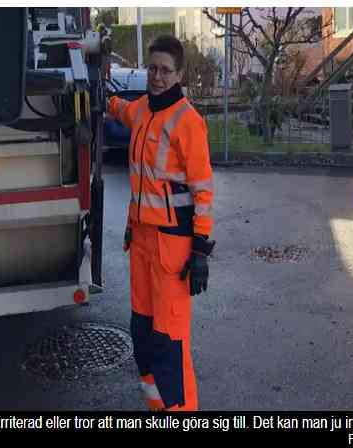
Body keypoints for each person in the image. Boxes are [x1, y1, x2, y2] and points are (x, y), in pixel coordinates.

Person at [107, 35, 215, 411]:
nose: (157, 76)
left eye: (165, 70)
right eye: (152, 68)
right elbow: (120, 108)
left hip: (173, 248)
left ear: (179, 74)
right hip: (141, 242)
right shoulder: (141, 110)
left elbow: (203, 191)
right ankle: (159, 410)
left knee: (169, 342)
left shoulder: (189, 122)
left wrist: (200, 251)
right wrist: (99, 91)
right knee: (143, 334)